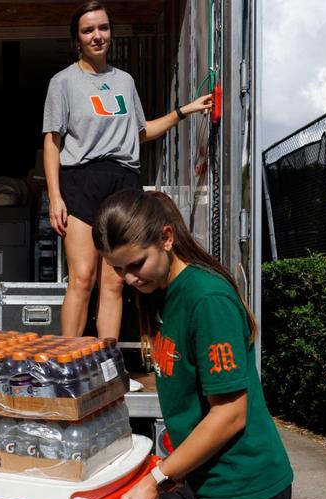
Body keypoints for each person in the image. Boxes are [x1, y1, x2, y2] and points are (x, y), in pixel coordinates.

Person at [97, 189, 293, 499]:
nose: (127, 279)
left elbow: (231, 415)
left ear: (166, 239)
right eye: (117, 268)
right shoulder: (164, 293)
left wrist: (158, 479)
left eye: (134, 264)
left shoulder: (205, 298)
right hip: (214, 480)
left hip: (240, 481)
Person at [43, 1, 212, 339]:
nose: (97, 36)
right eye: (88, 30)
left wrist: (186, 110)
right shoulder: (63, 82)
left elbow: (140, 131)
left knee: (114, 281)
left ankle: (107, 366)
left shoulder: (124, 81)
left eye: (103, 28)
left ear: (111, 33)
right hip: (81, 180)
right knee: (82, 278)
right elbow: (52, 141)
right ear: (77, 39)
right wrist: (55, 196)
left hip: (124, 182)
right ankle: (68, 365)